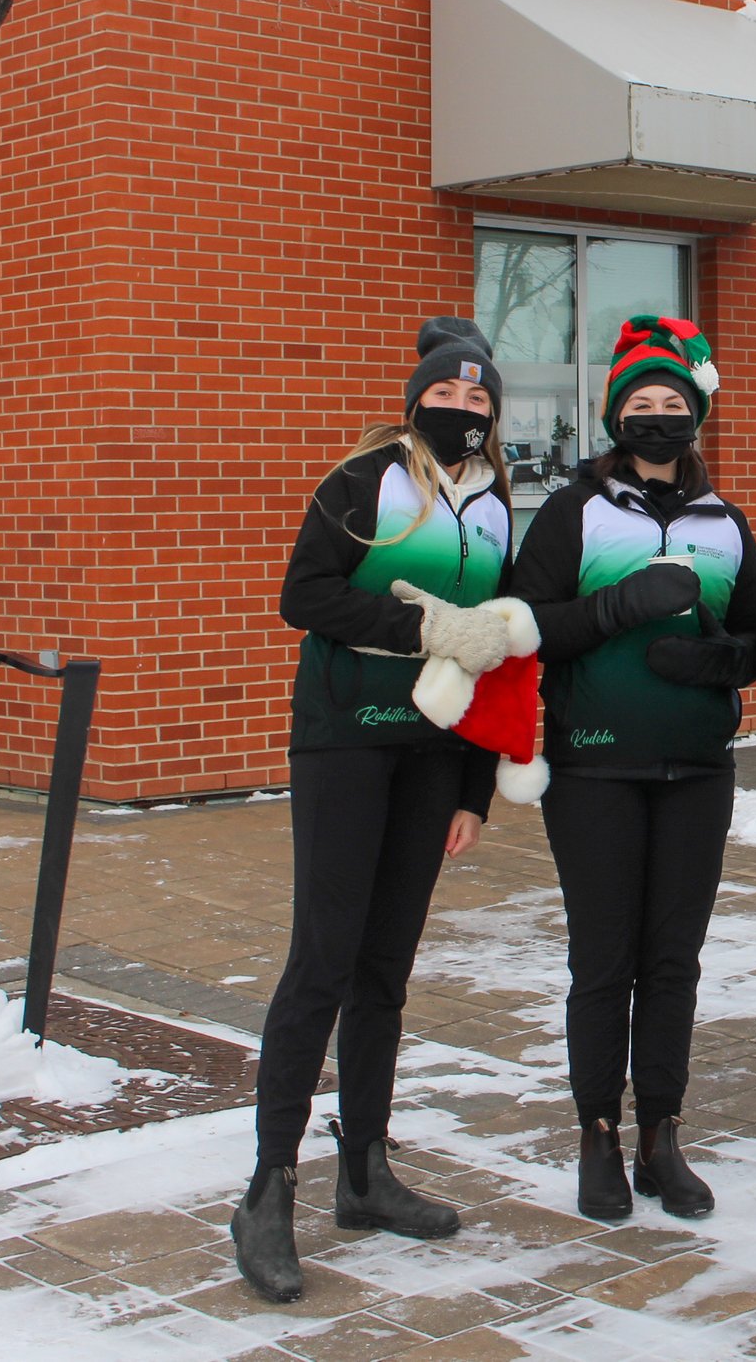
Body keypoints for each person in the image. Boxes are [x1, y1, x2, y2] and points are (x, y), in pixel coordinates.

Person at [235, 317, 530, 1304]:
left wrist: (473, 787)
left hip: (429, 761)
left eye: (480, 398)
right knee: (321, 959)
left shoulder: (496, 507)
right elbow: (302, 594)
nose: (463, 409)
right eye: (447, 394)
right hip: (344, 742)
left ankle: (362, 1170)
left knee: (384, 970)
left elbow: (495, 646)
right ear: (417, 401)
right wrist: (419, 622)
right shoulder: (362, 482)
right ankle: (268, 1187)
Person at [507, 315, 756, 1222]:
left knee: (674, 961)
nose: (656, 417)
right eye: (639, 404)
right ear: (616, 416)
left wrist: (721, 662)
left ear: (695, 416)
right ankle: (597, 1134)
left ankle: (662, 1132)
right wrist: (615, 606)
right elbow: (527, 624)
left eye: (672, 404)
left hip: (697, 770)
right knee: (604, 959)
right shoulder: (574, 510)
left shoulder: (725, 522)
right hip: (595, 771)